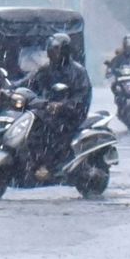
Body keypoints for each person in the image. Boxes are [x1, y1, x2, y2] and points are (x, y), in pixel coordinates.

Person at [29, 33, 91, 175]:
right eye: (51, 49)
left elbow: (82, 97)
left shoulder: (77, 72)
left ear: (64, 51)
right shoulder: (45, 70)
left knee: (51, 131)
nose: (52, 52)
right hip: (46, 110)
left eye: (56, 49)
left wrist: (63, 105)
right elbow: (28, 83)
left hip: (70, 115)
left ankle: (49, 165)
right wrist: (8, 89)